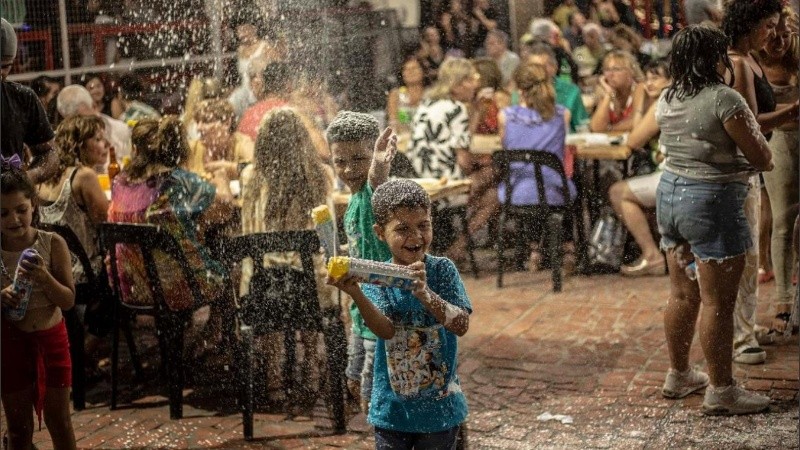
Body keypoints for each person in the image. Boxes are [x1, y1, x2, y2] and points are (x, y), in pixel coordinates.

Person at [655, 25, 772, 415]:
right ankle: (722, 390)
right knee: (718, 302)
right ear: (715, 58)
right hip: (711, 202)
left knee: (681, 294)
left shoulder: (667, 96)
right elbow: (762, 157)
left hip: (670, 197)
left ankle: (679, 375)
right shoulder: (724, 98)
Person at [327, 179, 471, 448]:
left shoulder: (442, 270)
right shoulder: (378, 278)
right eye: (402, 229)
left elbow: (461, 325)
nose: (415, 237)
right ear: (380, 233)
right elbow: (386, 331)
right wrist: (355, 292)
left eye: (423, 225)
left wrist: (426, 295)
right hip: (393, 409)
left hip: (440, 408)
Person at [238, 107, 337, 411]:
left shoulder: (250, 177)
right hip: (309, 293)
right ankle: (311, 365)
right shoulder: (321, 176)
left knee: (267, 275)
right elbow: (327, 237)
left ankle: (274, 376)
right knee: (314, 273)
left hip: (262, 290)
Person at [107, 117, 233, 339]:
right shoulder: (179, 182)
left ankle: (192, 337)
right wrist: (221, 179)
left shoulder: (120, 182)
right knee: (228, 268)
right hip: (178, 287)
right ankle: (218, 340)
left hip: (131, 287)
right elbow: (225, 207)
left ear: (135, 149)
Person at [723, 0, 798, 364]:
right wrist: (792, 110)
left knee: (750, 246)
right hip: (764, 149)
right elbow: (749, 120)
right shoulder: (741, 61)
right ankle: (750, 328)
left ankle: (743, 329)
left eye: (781, 31)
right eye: (769, 28)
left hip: (756, 156)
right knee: (770, 230)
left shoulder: (751, 57)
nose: (775, 38)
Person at [1, 157, 77, 450]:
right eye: (3, 213)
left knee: (60, 422)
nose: (14, 220)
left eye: (21, 210)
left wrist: (45, 278)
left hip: (51, 339)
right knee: (19, 429)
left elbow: (68, 300)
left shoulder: (52, 243)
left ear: (33, 204)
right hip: (10, 342)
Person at [327, 111, 397, 414]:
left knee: (373, 396)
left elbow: (376, 181)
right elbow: (361, 244)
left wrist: (379, 163)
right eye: (340, 161)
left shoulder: (372, 195)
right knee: (354, 383)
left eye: (359, 159)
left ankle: (389, 434)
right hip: (359, 313)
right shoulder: (353, 201)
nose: (348, 168)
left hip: (380, 311)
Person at [498, 63, 577, 271]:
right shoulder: (562, 115)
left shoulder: (505, 116)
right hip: (553, 191)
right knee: (561, 185)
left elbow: (506, 146)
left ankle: (535, 250)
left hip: (515, 193)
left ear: (519, 89)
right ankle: (569, 248)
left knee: (531, 184)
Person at [406, 57, 477, 257]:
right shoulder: (456, 108)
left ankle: (449, 245)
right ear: (457, 84)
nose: (475, 84)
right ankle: (456, 249)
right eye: (470, 79)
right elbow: (464, 161)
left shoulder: (426, 104)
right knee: (495, 192)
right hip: (444, 187)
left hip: (420, 181)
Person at [759, 5, 799, 337]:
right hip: (778, 140)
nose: (780, 42)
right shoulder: (750, 60)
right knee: (783, 221)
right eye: (774, 35)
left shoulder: (797, 51)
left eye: (786, 35)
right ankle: (784, 301)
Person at [611, 59, 671, 276]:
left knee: (618, 192)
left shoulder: (662, 102)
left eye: (656, 78)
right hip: (673, 173)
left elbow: (634, 140)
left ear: (671, 80)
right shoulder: (672, 99)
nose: (649, 84)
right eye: (646, 79)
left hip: (670, 176)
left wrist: (639, 103)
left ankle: (652, 256)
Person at [38, 115, 109, 285]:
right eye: (98, 139)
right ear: (80, 144)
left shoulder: (46, 174)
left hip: (52, 269)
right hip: (84, 272)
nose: (106, 144)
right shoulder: (84, 176)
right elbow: (106, 223)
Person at [1, 18, 59, 184]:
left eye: (5, 66)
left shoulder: (22, 98)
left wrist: (28, 178)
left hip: (13, 198)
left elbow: (49, 152)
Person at [56, 84, 132, 171]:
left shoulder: (121, 130)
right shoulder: (64, 141)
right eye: (74, 124)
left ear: (94, 106)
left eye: (85, 120)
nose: (80, 127)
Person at [226, 5, 280, 119]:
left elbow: (277, 72)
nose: (242, 34)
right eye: (239, 30)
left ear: (254, 29)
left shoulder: (265, 48)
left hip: (261, 91)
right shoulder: (240, 50)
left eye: (245, 29)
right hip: (243, 92)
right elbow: (234, 77)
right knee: (229, 107)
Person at [525, 43, 589, 132]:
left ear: (554, 67)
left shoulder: (571, 91)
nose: (536, 71)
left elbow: (582, 126)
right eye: (531, 67)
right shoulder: (521, 92)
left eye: (541, 67)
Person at [186, 99, 253, 178]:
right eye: (197, 122)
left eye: (206, 121)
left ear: (226, 123)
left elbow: (258, 170)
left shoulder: (242, 144)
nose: (198, 128)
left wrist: (230, 167)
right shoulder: (192, 148)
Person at [590, 50, 644, 133]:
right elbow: (596, 128)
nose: (610, 74)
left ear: (631, 72)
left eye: (616, 69)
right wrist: (608, 95)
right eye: (607, 70)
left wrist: (610, 128)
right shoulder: (605, 91)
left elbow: (637, 121)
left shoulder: (640, 88)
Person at [386, 56, 426, 134]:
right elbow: (393, 123)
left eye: (414, 68)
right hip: (403, 137)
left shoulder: (431, 94)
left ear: (423, 71)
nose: (410, 72)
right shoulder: (396, 95)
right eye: (406, 69)